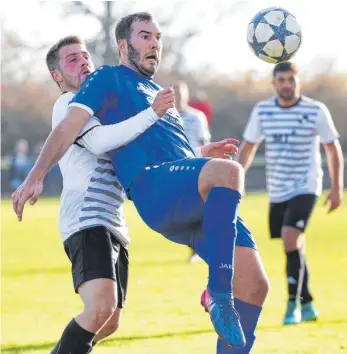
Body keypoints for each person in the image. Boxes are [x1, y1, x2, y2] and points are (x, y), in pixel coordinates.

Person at [12, 13, 270, 352]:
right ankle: (218, 295)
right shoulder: (105, 80)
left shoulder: (157, 93)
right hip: (148, 190)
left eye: (157, 37)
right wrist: (36, 174)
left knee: (254, 285)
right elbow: (73, 131)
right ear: (123, 45)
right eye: (145, 36)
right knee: (231, 173)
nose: (154, 43)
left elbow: (159, 143)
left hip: (170, 196)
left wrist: (202, 151)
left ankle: (222, 298)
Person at [238, 62, 344, 325]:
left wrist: (336, 187)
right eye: (281, 80)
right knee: (293, 244)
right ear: (274, 83)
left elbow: (332, 149)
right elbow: (248, 147)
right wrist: (235, 179)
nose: (287, 84)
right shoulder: (263, 111)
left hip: (306, 186)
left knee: (290, 237)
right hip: (277, 189)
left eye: (291, 80)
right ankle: (308, 302)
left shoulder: (315, 110)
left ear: (299, 82)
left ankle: (292, 305)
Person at [174, 80, 211, 263]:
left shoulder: (196, 117)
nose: (178, 96)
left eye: (181, 92)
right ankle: (196, 245)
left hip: (195, 169)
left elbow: (204, 144)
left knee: (197, 210)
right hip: (175, 172)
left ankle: (199, 249)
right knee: (183, 213)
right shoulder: (165, 117)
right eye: (175, 92)